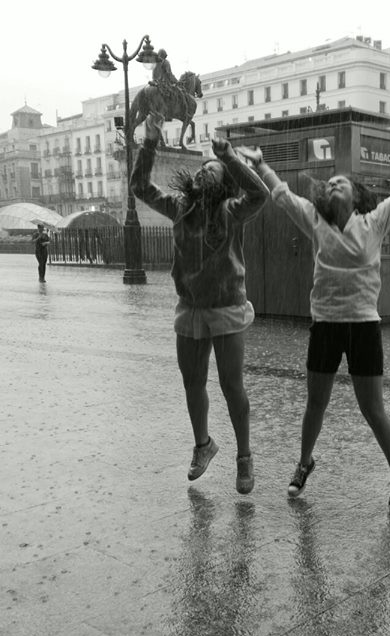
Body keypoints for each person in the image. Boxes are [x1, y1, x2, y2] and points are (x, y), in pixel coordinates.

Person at [238, 140, 390, 515]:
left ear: (357, 197)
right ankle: (305, 462)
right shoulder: (316, 220)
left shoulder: (374, 222)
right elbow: (283, 196)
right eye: (331, 182)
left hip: (364, 326)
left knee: (373, 408)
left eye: (342, 182)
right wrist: (261, 164)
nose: (335, 184)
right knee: (316, 404)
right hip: (325, 325)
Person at [131, 115, 269, 494]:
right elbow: (140, 187)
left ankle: (244, 456)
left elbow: (260, 195)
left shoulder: (230, 211)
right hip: (189, 308)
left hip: (226, 307)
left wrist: (229, 158)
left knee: (230, 384)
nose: (204, 170)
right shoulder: (179, 208)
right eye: (202, 167)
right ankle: (203, 445)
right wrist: (150, 142)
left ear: (223, 183)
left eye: (213, 169)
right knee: (192, 382)